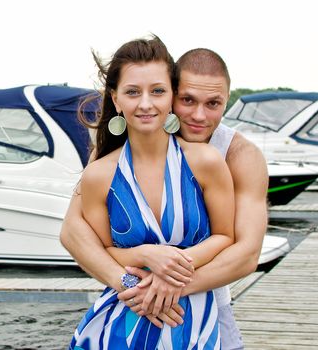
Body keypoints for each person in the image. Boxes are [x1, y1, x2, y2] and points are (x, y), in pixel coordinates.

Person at [62, 46, 268, 349]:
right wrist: (134, 282)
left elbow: (246, 253)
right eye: (188, 100)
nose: (198, 115)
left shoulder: (236, 156)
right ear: (176, 95)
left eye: (213, 103)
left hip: (204, 309)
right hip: (131, 310)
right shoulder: (107, 162)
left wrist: (166, 286)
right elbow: (73, 232)